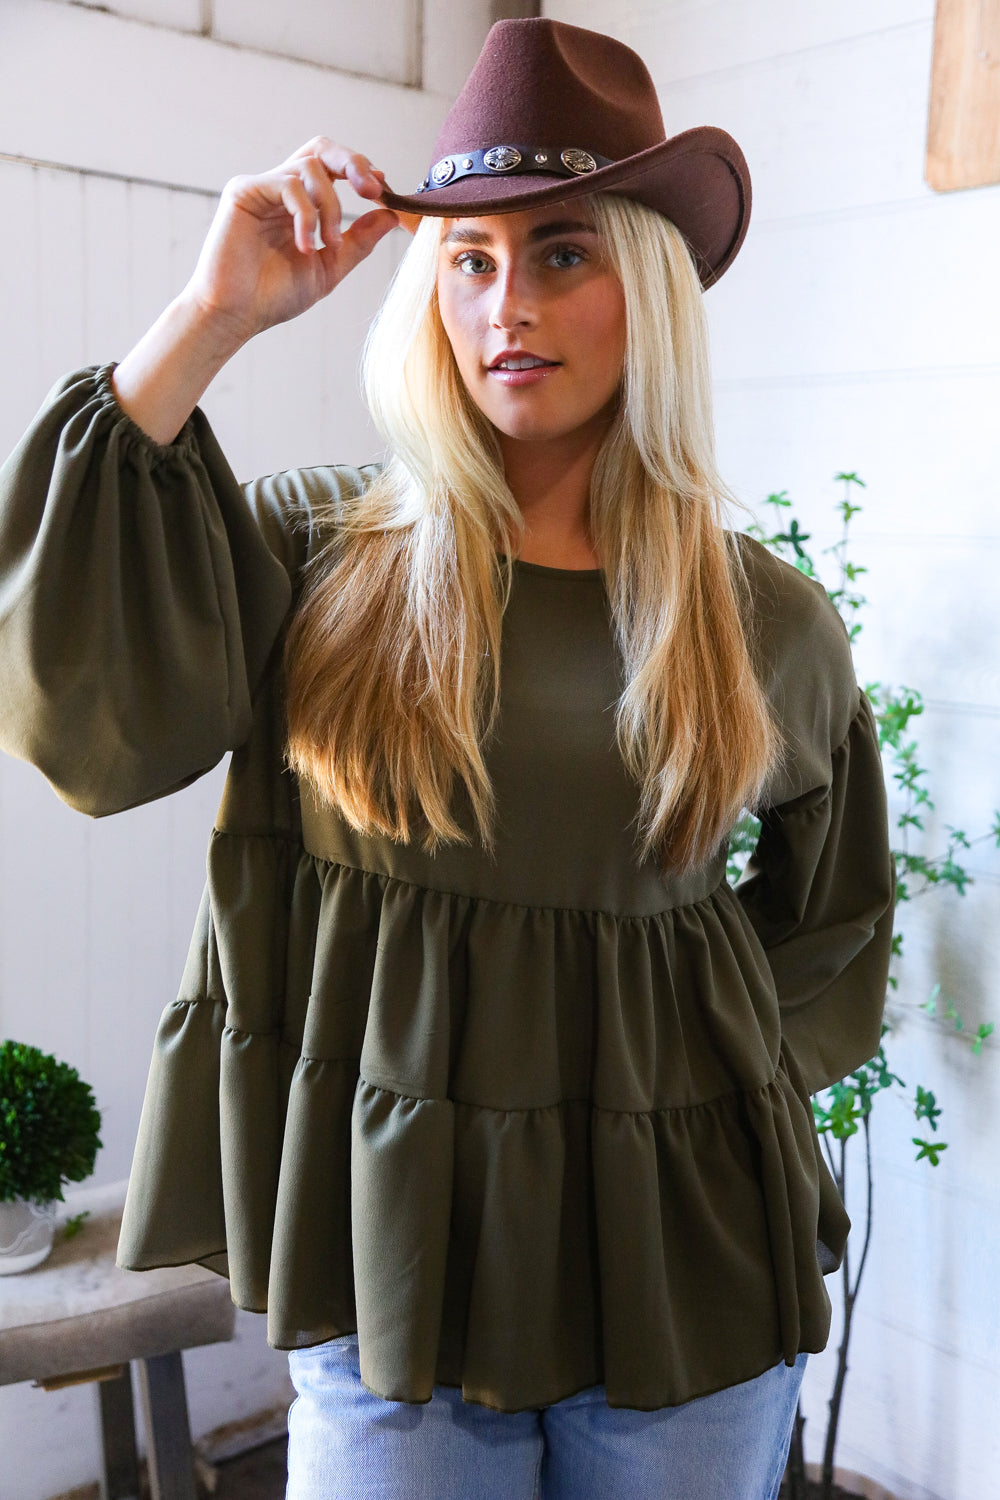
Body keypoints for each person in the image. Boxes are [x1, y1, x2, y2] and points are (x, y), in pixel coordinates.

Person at [0, 18, 895, 1500]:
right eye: (467, 260)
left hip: (689, 1276)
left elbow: (837, 912)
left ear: (650, 289)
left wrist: (695, 1093)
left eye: (559, 254)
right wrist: (210, 316)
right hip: (391, 1280)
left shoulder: (762, 622)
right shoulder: (315, 550)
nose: (504, 307)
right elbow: (87, 724)